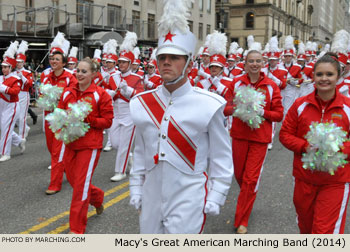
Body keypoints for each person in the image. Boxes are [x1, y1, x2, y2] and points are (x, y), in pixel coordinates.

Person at [128, 0, 233, 234]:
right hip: (152, 193)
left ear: (188, 63)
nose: (167, 62)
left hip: (190, 195)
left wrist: (217, 193)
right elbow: (140, 152)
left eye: (174, 57)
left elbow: (221, 156)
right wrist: (136, 187)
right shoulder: (141, 103)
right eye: (162, 57)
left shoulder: (209, 104)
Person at [279, 53, 350, 234]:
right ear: (313, 77)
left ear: (338, 76)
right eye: (319, 74)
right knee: (306, 228)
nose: (324, 79)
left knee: (323, 232)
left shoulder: (348, 107)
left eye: (329, 74)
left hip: (336, 181)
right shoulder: (300, 104)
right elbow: (285, 134)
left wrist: (337, 148)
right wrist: (305, 146)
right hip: (304, 179)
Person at [227, 49, 284, 234]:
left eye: (258, 61)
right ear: (245, 64)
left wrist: (261, 112)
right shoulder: (236, 83)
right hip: (238, 136)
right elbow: (224, 108)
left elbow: (278, 114)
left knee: (251, 180)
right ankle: (247, 199)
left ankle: (241, 220)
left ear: (263, 63)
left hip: (260, 139)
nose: (254, 64)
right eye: (251, 61)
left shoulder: (271, 86)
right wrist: (237, 108)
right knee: (240, 176)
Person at [58, 57, 113, 234]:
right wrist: (62, 119)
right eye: (78, 71)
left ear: (93, 74)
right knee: (75, 182)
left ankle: (76, 228)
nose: (79, 74)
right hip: (70, 143)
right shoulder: (68, 92)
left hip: (89, 146)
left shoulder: (100, 94)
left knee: (80, 186)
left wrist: (88, 119)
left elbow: (108, 121)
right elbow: (59, 112)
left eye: (84, 71)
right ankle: (97, 198)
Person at [42, 32, 78, 194]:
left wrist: (61, 98)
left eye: (57, 59)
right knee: (51, 148)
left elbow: (75, 95)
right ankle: (67, 168)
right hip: (48, 116)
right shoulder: (45, 75)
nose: (53, 61)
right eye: (51, 59)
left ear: (63, 62)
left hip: (62, 117)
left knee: (57, 151)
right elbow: (42, 94)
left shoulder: (71, 77)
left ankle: (54, 184)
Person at [108, 31, 144, 182]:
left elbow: (140, 96)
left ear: (130, 64)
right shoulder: (112, 77)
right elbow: (104, 91)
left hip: (129, 113)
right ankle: (129, 156)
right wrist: (109, 92)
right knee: (115, 142)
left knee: (123, 144)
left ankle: (120, 171)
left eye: (124, 62)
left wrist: (127, 90)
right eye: (120, 62)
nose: (121, 64)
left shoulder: (137, 77)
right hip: (115, 112)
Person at [0, 42, 25, 162]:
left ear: (11, 68)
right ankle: (20, 141)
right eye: (3, 67)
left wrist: (3, 88)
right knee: (5, 128)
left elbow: (15, 92)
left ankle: (5, 153)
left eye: (6, 67)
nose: (4, 69)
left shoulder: (16, 79)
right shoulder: (0, 78)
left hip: (12, 106)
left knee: (5, 129)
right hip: (1, 106)